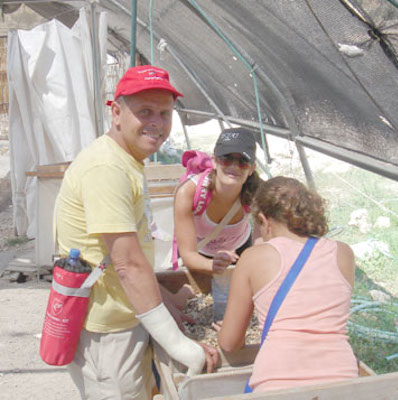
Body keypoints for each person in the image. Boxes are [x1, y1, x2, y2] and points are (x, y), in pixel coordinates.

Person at [55, 65, 218, 400]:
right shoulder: (107, 169)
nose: (156, 123)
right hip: (106, 332)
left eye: (164, 113)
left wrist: (167, 300)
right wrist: (177, 344)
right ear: (116, 112)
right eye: (144, 112)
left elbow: (130, 256)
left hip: (126, 315)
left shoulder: (127, 160)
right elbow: (127, 264)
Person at [215, 176, 358, 392]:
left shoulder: (254, 257)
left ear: (263, 220)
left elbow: (230, 343)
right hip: (343, 381)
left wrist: (221, 332)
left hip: (277, 383)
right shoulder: (343, 253)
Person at [174, 127, 262, 276]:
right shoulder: (188, 192)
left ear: (252, 169)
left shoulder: (259, 194)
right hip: (198, 254)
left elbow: (261, 245)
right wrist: (213, 264)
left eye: (243, 162)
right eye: (226, 159)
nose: (233, 166)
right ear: (214, 161)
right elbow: (188, 254)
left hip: (239, 248)